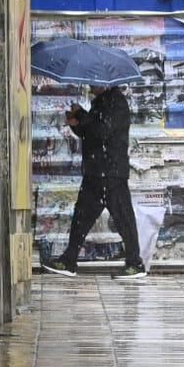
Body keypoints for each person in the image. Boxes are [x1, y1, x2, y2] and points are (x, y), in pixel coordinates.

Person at [44, 85, 145, 279]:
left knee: (122, 218)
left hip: (109, 173)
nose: (90, 85)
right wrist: (75, 123)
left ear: (105, 83)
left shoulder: (115, 103)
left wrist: (81, 115)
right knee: (82, 217)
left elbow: (102, 130)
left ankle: (134, 263)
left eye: (93, 82)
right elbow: (91, 132)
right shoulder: (102, 102)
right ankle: (69, 260)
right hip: (98, 171)